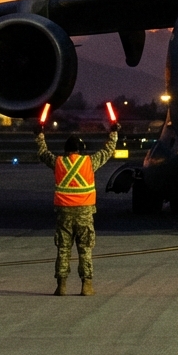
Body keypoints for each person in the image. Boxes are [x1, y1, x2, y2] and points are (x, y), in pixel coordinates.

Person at [35, 123, 120, 296]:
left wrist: (39, 136)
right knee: (85, 249)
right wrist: (113, 133)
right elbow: (108, 151)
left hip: (64, 214)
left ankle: (62, 285)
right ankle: (86, 285)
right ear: (80, 149)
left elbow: (43, 154)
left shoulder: (58, 163)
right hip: (84, 213)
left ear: (66, 150)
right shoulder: (89, 162)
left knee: (63, 250)